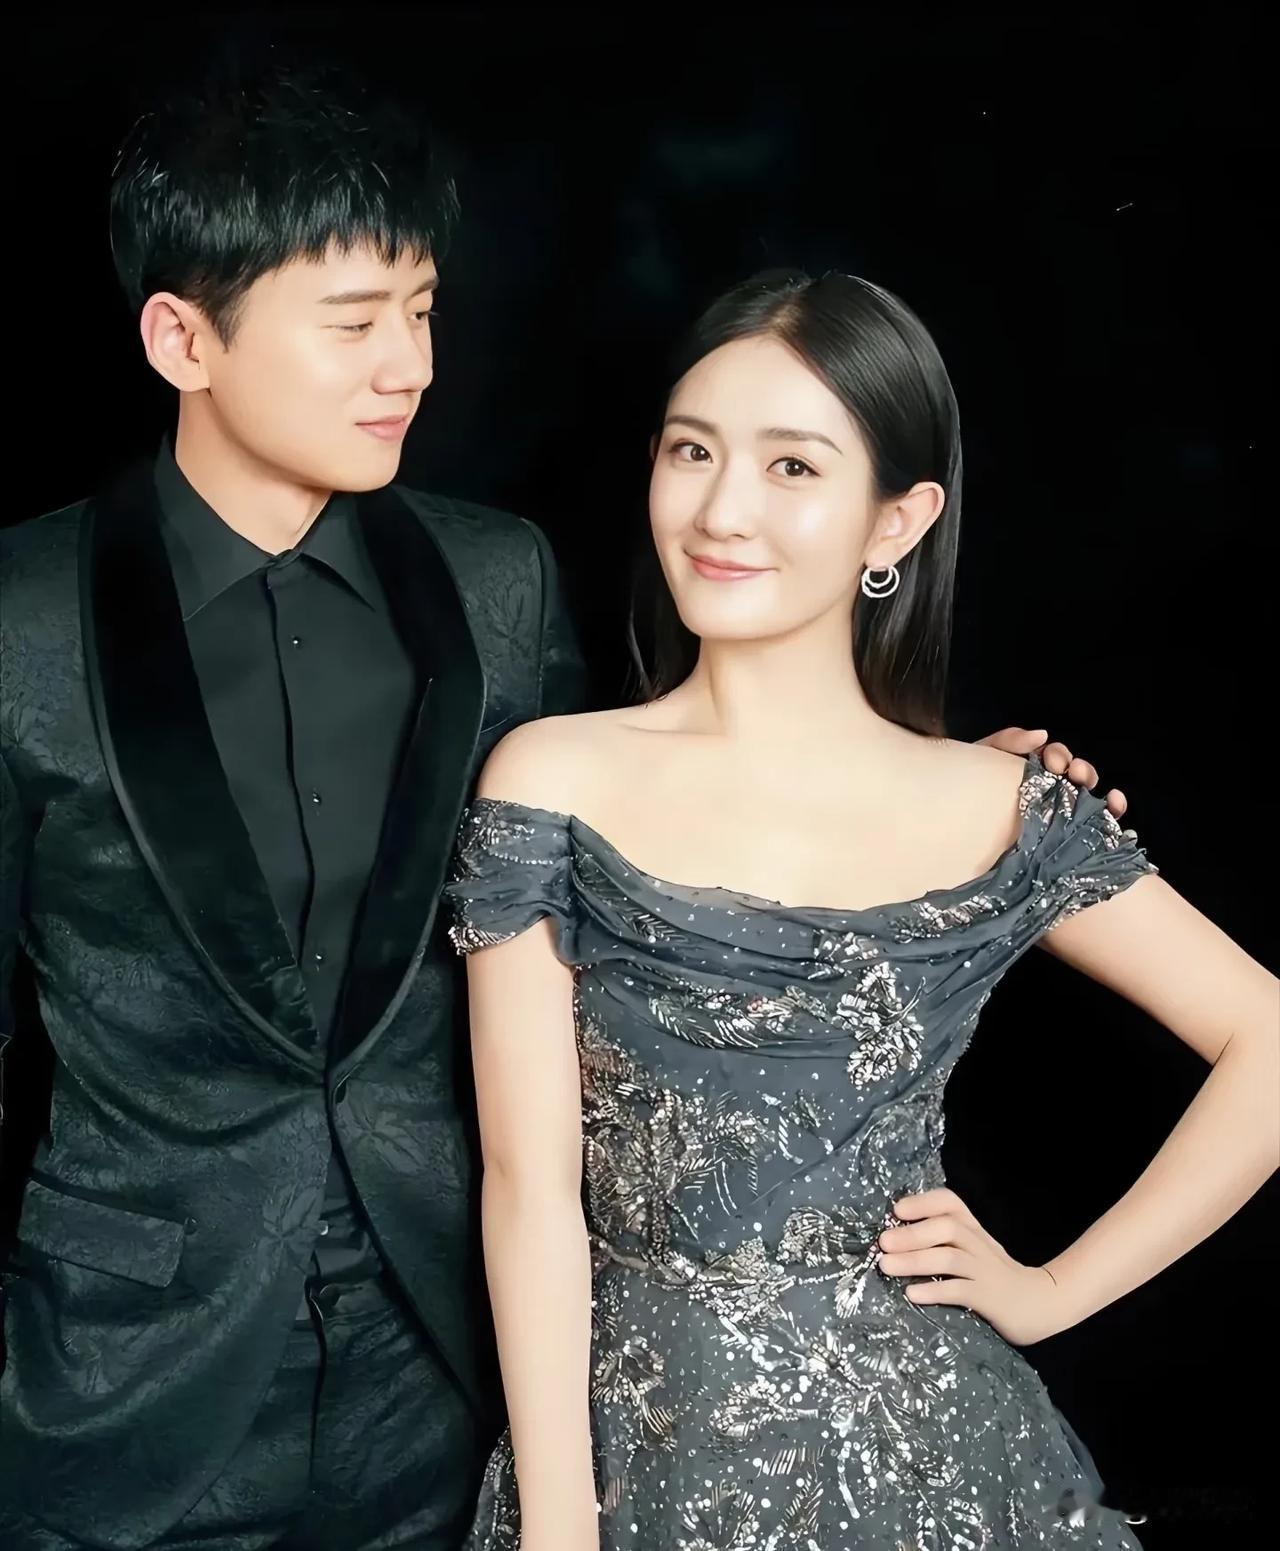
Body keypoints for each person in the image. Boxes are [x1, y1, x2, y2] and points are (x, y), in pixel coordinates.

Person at [445, 270, 1279, 1550]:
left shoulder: (1003, 805)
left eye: (791, 467)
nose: (721, 510)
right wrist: (559, 1525)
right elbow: (528, 1189)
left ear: (896, 522)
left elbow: (1266, 1040)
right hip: (635, 1461)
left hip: (936, 1462)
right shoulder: (552, 777)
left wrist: (1051, 1290)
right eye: (691, 451)